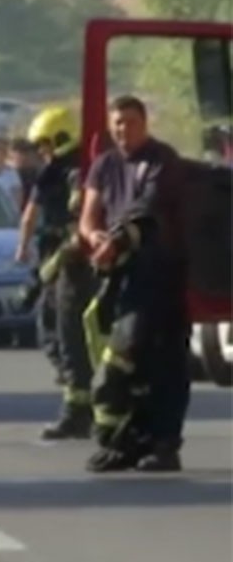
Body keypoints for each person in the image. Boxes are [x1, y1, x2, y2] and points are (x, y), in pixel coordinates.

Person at [80, 96, 189, 473]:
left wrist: (118, 241)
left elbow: (148, 210)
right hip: (120, 278)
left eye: (130, 121)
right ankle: (126, 442)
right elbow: (88, 215)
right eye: (117, 123)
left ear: (145, 122)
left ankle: (164, 445)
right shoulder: (104, 165)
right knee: (126, 364)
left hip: (160, 276)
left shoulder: (163, 160)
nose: (123, 129)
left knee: (163, 362)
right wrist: (95, 238)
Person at [16, 107, 97, 439]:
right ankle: (81, 399)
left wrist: (23, 250)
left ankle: (78, 407)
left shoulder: (61, 173)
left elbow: (32, 216)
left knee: (61, 333)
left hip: (67, 260)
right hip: (74, 259)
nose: (43, 152)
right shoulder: (88, 167)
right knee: (70, 334)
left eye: (45, 144)